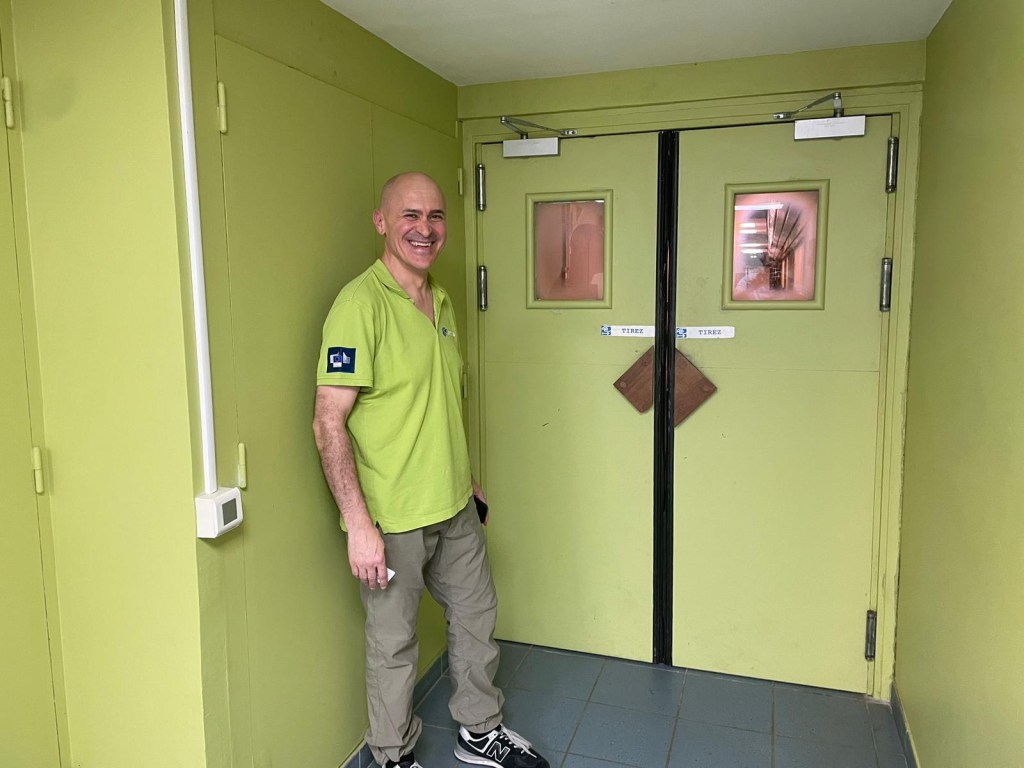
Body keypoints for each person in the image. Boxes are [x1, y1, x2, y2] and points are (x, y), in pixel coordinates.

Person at [313, 172, 548, 768]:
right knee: (394, 644)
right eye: (410, 215)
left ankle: (479, 731)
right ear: (381, 222)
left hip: (454, 504)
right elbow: (327, 422)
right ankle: (392, 757)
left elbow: (436, 400)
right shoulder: (359, 307)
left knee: (475, 617)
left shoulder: (439, 299)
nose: (425, 228)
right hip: (392, 516)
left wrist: (466, 478)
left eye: (436, 216)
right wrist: (358, 523)